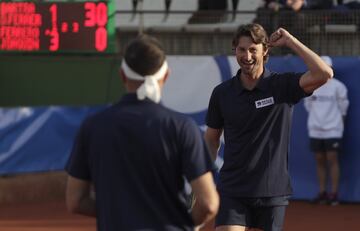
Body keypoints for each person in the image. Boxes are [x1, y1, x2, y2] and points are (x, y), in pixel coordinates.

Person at [65, 34, 219, 231]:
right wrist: (181, 221)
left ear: (122, 75)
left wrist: (120, 213)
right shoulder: (182, 128)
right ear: (165, 75)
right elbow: (208, 204)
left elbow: (75, 201)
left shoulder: (93, 127)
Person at [204, 23, 333, 231]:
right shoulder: (222, 93)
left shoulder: (283, 86)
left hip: (272, 191)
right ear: (234, 51)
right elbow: (211, 140)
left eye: (253, 49)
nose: (247, 56)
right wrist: (203, 177)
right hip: (233, 189)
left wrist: (290, 41)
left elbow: (324, 74)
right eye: (241, 50)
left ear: (265, 50)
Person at [304, 56, 349, 206]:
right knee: (319, 161)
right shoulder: (311, 86)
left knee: (332, 160)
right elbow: (308, 106)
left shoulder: (338, 87)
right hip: (315, 129)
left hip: (333, 130)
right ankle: (322, 193)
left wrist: (336, 125)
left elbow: (343, 109)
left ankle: (334, 194)